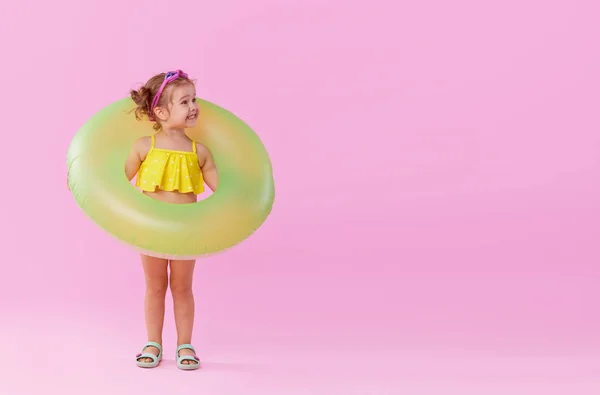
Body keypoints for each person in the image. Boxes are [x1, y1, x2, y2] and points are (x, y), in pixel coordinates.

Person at [65, 70, 216, 370]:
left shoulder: (199, 152)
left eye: (194, 99)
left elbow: (226, 192)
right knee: (155, 286)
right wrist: (83, 180)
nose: (194, 106)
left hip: (186, 231)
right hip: (150, 232)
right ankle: (153, 342)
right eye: (184, 101)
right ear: (160, 111)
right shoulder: (143, 147)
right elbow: (114, 185)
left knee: (183, 288)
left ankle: (185, 344)